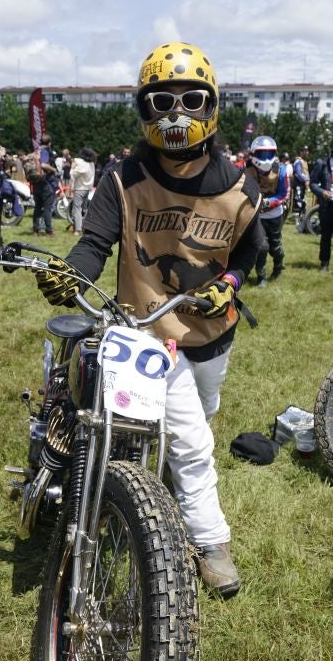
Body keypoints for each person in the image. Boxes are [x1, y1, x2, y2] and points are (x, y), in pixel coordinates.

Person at [35, 40, 264, 599]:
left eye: (189, 100)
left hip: (212, 330)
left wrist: (229, 285)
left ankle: (165, 485)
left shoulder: (239, 185)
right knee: (190, 437)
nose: (176, 115)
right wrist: (72, 273)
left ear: (210, 106)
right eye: (162, 101)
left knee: (199, 417)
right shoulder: (123, 177)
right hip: (146, 326)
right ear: (144, 109)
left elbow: (249, 252)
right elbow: (95, 242)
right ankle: (210, 541)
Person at [246, 136, 289, 287]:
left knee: (275, 247)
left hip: (274, 214)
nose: (265, 159)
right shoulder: (245, 168)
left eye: (269, 154)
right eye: (262, 154)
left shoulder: (281, 170)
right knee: (262, 246)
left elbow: (283, 194)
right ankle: (261, 277)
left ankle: (278, 265)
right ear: (253, 154)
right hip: (256, 215)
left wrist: (268, 202)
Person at [309, 144, 333, 271]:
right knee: (326, 235)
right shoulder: (322, 163)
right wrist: (322, 192)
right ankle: (324, 263)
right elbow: (312, 183)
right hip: (327, 205)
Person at [32, 134, 58, 236]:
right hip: (46, 183)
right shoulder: (45, 151)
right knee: (47, 208)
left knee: (37, 207)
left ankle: (35, 230)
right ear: (49, 143)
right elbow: (43, 164)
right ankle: (49, 231)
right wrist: (54, 169)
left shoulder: (36, 151)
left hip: (36, 183)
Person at [69, 147, 96, 235]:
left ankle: (78, 229)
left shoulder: (83, 165)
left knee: (77, 209)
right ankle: (87, 226)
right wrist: (75, 160)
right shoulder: (91, 163)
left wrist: (72, 167)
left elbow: (73, 174)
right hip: (87, 188)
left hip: (80, 188)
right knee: (85, 209)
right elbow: (79, 161)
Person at [292, 146, 310, 217]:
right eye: (305, 151)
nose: (307, 152)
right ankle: (296, 216)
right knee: (298, 199)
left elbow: (306, 172)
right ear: (301, 152)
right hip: (298, 184)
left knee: (302, 199)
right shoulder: (298, 161)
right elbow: (298, 173)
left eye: (307, 151)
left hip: (303, 184)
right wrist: (306, 180)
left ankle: (301, 215)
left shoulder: (304, 162)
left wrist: (308, 180)